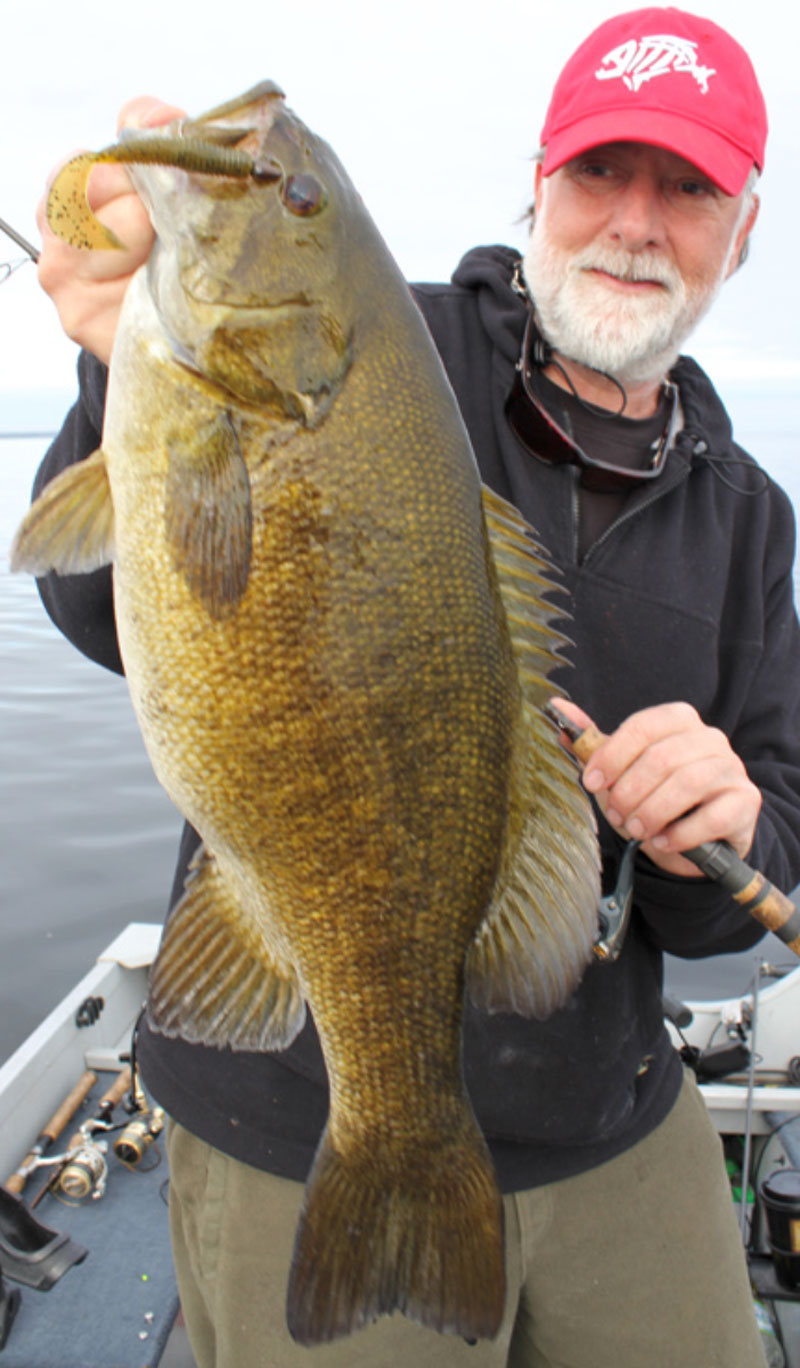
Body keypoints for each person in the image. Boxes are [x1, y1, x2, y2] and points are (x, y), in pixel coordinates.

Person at [28, 8, 800, 1366]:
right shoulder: (394, 353)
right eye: (601, 174)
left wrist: (720, 828)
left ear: (743, 233)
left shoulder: (749, 517)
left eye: (688, 189)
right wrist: (115, 378)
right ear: (538, 185)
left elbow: (750, 879)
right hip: (286, 1114)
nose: (636, 220)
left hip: (614, 1119)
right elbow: (102, 611)